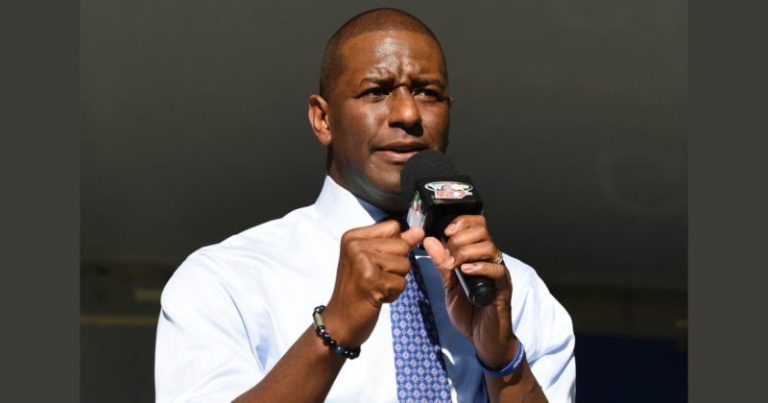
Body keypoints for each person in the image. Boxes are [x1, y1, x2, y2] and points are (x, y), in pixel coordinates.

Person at [155, 8, 575, 403]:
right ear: (323, 119)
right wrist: (334, 329)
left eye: (427, 93)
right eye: (376, 91)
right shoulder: (226, 279)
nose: (408, 113)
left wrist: (502, 358)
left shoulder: (514, 290)